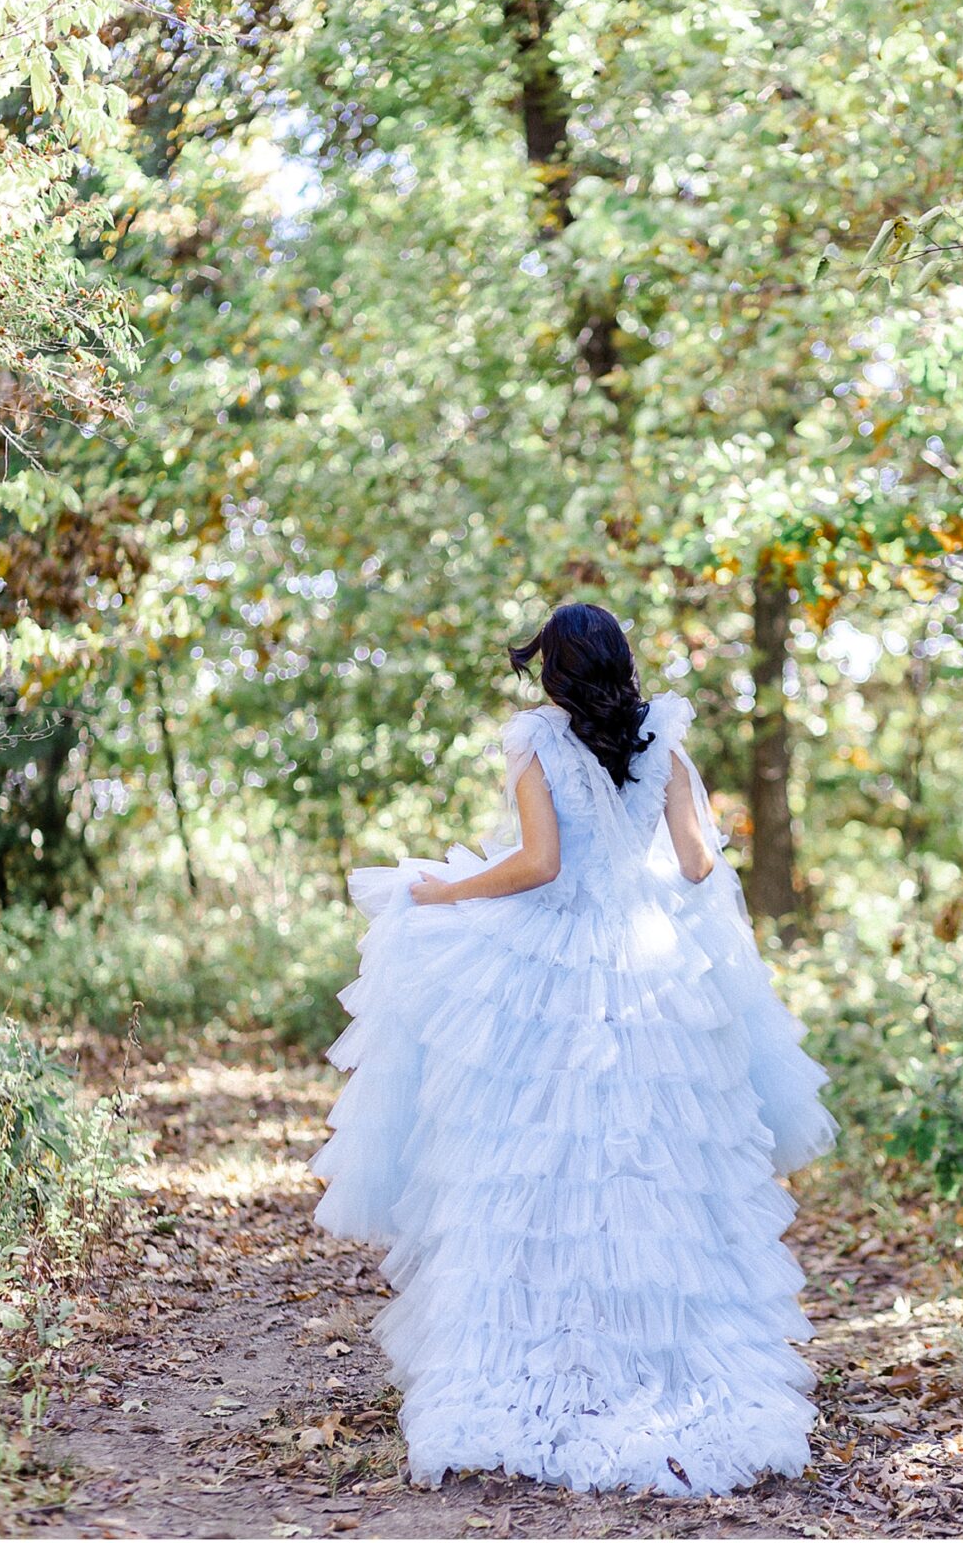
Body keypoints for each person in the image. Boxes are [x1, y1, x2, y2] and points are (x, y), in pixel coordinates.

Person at [309, 601, 840, 1497]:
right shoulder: (664, 742)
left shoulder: (536, 744)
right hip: (650, 969)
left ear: (553, 670)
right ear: (621, 661)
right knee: (656, 1167)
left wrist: (447, 895)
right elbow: (701, 865)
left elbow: (538, 866)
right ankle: (667, 1362)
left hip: (557, 967)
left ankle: (540, 1356)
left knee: (535, 1164)